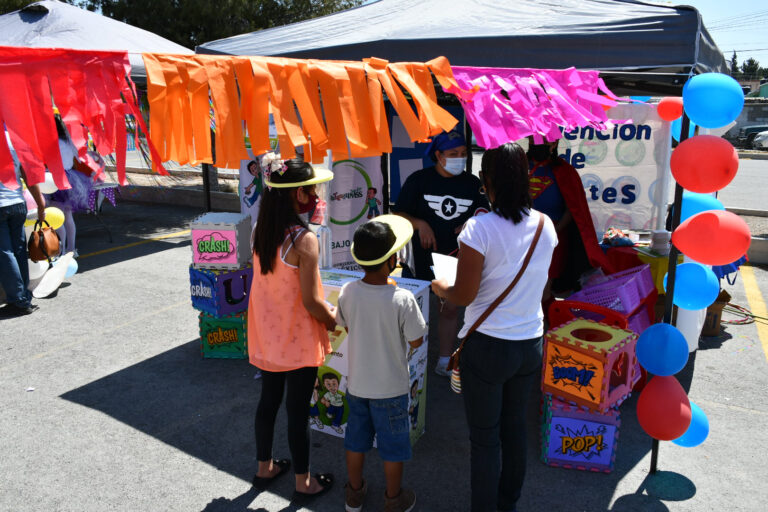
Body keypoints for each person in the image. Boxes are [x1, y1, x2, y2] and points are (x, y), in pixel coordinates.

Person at [431, 143, 558, 512]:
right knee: (514, 429)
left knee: (485, 440)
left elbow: (464, 294)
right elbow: (544, 286)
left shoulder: (479, 227)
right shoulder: (545, 225)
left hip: (487, 347)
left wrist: (440, 286)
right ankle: (508, 503)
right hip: (530, 342)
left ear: (487, 181)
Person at [247, 157, 337, 499]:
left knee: (268, 401)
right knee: (297, 412)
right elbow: (313, 302)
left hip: (267, 335)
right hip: (297, 339)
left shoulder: (261, 230)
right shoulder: (303, 240)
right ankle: (304, 482)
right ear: (299, 194)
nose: (316, 195)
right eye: (312, 189)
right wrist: (333, 321)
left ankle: (264, 467)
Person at [336, 214, 427, 512]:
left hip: (358, 385)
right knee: (393, 448)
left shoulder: (348, 291)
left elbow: (346, 325)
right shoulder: (402, 298)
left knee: (355, 442)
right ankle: (393, 499)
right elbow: (416, 341)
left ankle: (354, 493)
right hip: (392, 389)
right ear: (393, 260)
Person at [393, 129, 488, 377]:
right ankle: (407, 360)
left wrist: (470, 225)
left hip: (454, 256)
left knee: (449, 309)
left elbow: (484, 214)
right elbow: (399, 213)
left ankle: (444, 360)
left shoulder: (472, 184)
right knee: (414, 308)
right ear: (438, 154)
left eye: (464, 154)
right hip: (421, 256)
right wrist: (419, 224)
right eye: (453, 153)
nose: (460, 158)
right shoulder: (418, 180)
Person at [526, 137, 613, 308]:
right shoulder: (519, 167)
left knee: (545, 286)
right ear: (529, 140)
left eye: (547, 140)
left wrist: (555, 230)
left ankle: (544, 327)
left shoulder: (565, 171)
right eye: (537, 139)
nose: (541, 144)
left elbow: (573, 209)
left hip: (554, 237)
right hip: (522, 235)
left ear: (555, 143)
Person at [0, 142, 46, 317]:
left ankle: (18, 301)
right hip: (18, 203)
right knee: (18, 251)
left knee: (5, 253)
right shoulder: (13, 141)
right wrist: (41, 205)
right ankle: (24, 297)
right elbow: (29, 176)